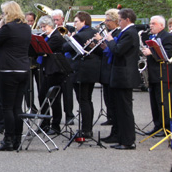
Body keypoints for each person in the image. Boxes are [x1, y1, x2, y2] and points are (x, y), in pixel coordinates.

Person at [0, 1, 31, 151]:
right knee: (17, 107)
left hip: (9, 70)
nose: (3, 16)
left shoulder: (7, 28)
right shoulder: (26, 27)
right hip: (24, 70)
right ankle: (17, 139)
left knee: (7, 107)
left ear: (9, 13)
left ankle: (8, 140)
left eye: (5, 13)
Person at [104, 8, 141, 149]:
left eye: (120, 20)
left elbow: (119, 50)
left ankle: (128, 140)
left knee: (125, 109)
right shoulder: (126, 32)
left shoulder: (130, 33)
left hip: (124, 75)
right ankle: (121, 137)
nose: (118, 23)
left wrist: (110, 40)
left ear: (127, 19)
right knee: (120, 108)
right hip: (120, 75)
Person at [63, 11, 102, 139]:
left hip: (81, 71)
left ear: (83, 22)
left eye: (76, 22)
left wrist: (70, 37)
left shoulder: (79, 36)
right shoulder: (93, 32)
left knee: (83, 100)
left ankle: (86, 130)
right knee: (87, 100)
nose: (74, 24)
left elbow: (65, 48)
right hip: (92, 71)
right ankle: (88, 128)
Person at [140, 16, 172, 137]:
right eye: (150, 23)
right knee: (154, 102)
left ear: (161, 25)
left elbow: (168, 54)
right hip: (153, 74)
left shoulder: (167, 37)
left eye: (153, 23)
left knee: (163, 102)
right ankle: (157, 125)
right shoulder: (152, 37)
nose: (151, 26)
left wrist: (151, 52)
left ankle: (165, 127)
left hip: (163, 74)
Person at [34, 16, 67, 134]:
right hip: (46, 70)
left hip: (55, 71)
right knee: (42, 96)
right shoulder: (47, 36)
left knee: (54, 99)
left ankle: (55, 125)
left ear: (51, 26)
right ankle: (45, 123)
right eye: (41, 27)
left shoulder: (56, 37)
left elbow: (45, 49)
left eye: (45, 27)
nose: (43, 29)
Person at [99, 9, 122, 143]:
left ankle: (116, 131)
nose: (105, 23)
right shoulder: (111, 33)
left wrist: (107, 44)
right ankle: (114, 128)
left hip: (113, 70)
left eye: (108, 20)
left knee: (114, 102)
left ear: (115, 21)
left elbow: (115, 50)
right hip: (107, 70)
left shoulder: (117, 33)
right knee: (109, 100)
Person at [52, 9, 75, 125]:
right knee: (55, 93)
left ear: (62, 19)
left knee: (67, 92)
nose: (56, 22)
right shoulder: (52, 31)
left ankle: (69, 115)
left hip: (67, 64)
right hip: (55, 64)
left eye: (57, 20)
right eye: (54, 20)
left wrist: (69, 37)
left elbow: (72, 46)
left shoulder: (70, 29)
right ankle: (56, 117)